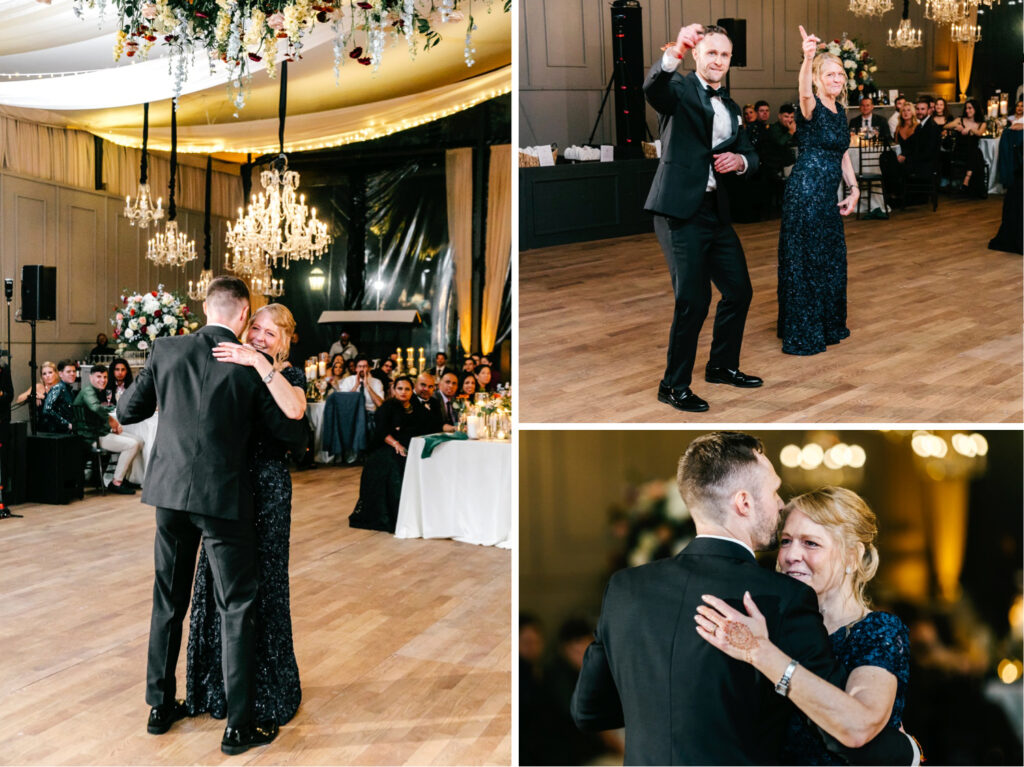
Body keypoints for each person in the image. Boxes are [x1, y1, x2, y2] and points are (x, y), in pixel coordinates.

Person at [570, 431, 916, 765]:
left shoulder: (625, 588)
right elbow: (841, 734)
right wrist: (906, 751)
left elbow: (589, 711)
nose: (779, 505)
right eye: (775, 492)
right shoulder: (782, 599)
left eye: (810, 543)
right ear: (744, 502)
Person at [116, 276, 308, 756]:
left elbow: (127, 408)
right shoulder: (249, 365)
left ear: (205, 306)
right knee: (237, 606)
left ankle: (160, 707)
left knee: (167, 601)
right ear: (244, 315)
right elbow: (288, 431)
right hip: (223, 501)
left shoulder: (165, 349)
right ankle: (237, 727)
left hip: (169, 497)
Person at [695, 487, 913, 764]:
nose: (790, 556)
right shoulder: (765, 624)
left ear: (852, 556)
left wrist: (761, 652)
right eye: (786, 541)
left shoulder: (878, 631)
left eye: (811, 543)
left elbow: (859, 727)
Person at [185, 302, 307, 730]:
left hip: (269, 489)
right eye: (255, 327)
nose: (258, 336)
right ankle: (213, 685)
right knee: (216, 582)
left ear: (284, 340)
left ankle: (264, 690)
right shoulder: (231, 362)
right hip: (227, 486)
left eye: (269, 334)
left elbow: (294, 412)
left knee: (265, 582)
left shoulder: (288, 373)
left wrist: (259, 362)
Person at [643, 23, 763, 413]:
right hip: (679, 211)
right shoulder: (679, 89)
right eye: (712, 53)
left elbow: (750, 152)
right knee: (693, 300)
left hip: (716, 211)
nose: (718, 61)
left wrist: (741, 160)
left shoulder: (730, 105)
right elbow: (653, 89)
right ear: (698, 55)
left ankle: (722, 366)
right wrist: (674, 49)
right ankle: (672, 385)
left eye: (725, 55)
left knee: (739, 291)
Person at [776, 27, 859, 357]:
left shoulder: (841, 113)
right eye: (830, 74)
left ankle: (826, 323)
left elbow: (842, 155)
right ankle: (804, 329)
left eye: (840, 73)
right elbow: (803, 94)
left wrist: (853, 190)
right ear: (817, 78)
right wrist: (809, 56)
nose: (837, 78)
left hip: (826, 197)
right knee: (807, 262)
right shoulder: (811, 106)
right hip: (805, 193)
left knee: (830, 260)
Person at [348, 375, 425, 533]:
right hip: (387, 445)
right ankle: (393, 513)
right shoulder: (388, 406)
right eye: (400, 389)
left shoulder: (417, 406)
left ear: (412, 391)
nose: (403, 392)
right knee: (393, 464)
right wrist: (396, 443)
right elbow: (382, 430)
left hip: (411, 445)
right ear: (393, 390)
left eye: (407, 389)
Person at [72, 364, 142, 494]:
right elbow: (96, 408)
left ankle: (126, 477)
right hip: (91, 437)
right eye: (99, 377)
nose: (102, 380)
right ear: (90, 377)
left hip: (98, 432)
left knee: (139, 440)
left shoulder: (95, 391)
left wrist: (110, 425)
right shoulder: (88, 391)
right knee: (132, 444)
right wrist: (112, 421)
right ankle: (116, 482)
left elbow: (97, 412)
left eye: (105, 377)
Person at [946, 99, 986, 196]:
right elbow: (946, 126)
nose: (967, 110)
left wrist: (970, 129)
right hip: (960, 151)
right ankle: (967, 182)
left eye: (970, 108)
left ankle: (966, 180)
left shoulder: (982, 123)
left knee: (975, 152)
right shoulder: (960, 120)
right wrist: (957, 126)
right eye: (966, 108)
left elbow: (980, 133)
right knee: (976, 154)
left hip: (972, 152)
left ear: (976, 109)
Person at [338, 355, 385, 426]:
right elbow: (344, 402)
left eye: (365, 366)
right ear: (356, 368)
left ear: (369, 368)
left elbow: (380, 405)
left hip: (370, 415)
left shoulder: (377, 382)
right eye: (360, 366)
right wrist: (355, 386)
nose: (362, 369)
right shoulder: (348, 381)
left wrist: (368, 386)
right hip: (353, 414)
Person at [38, 360, 78, 434]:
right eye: (68, 372)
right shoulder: (58, 388)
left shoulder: (68, 389)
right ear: (60, 374)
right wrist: (67, 424)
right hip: (56, 434)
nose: (72, 374)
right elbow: (47, 410)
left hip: (65, 432)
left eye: (74, 371)